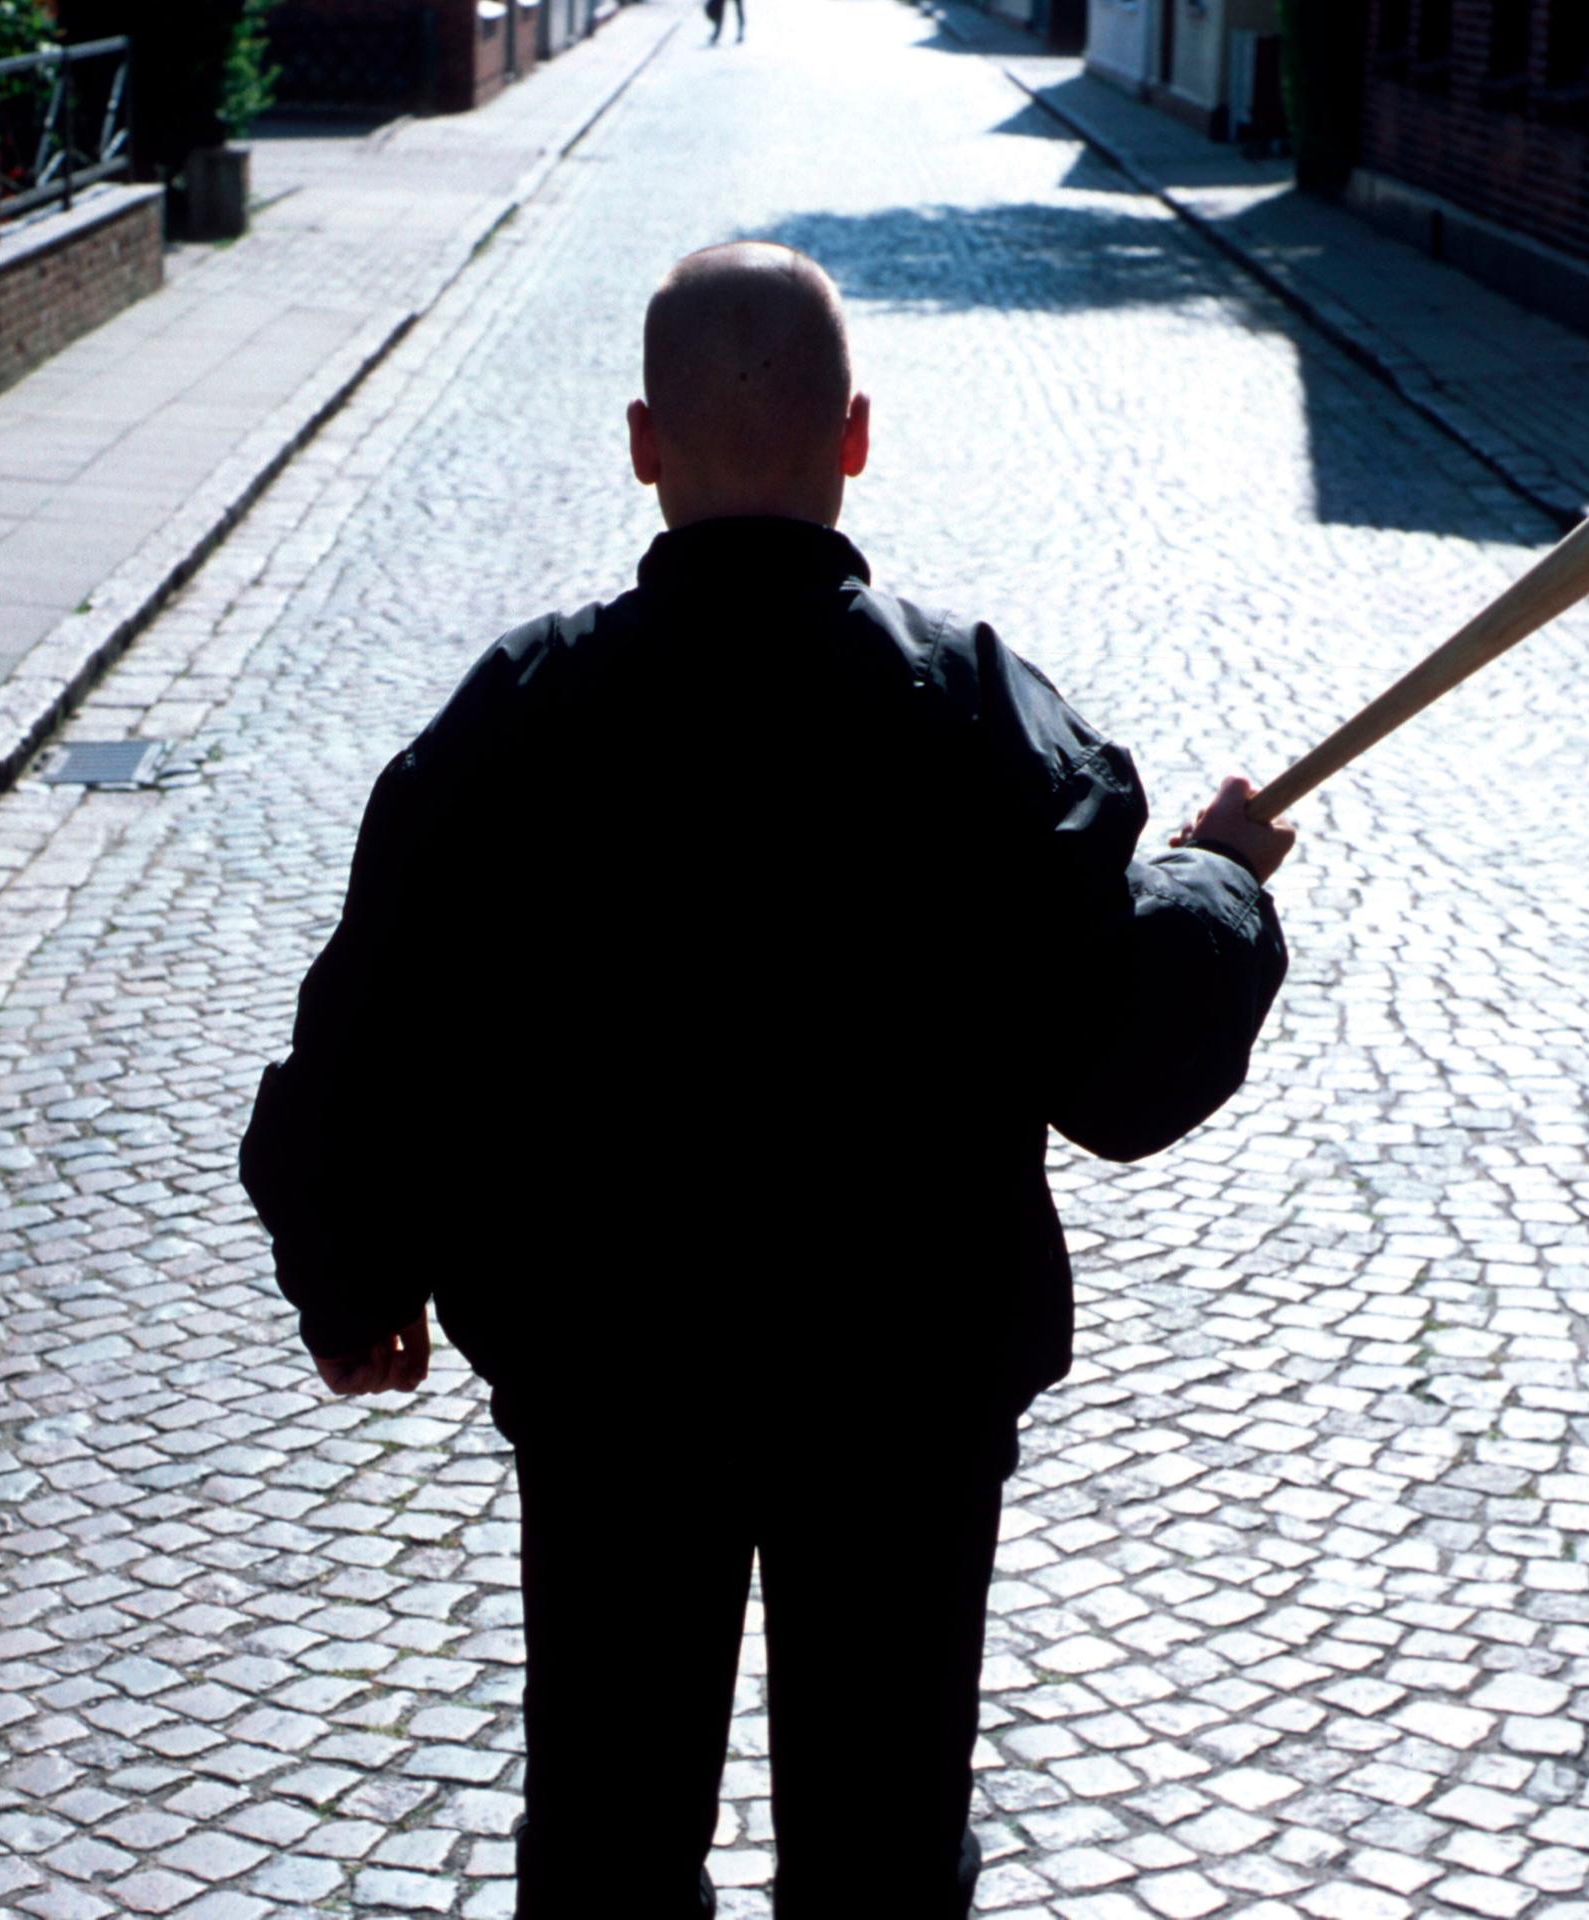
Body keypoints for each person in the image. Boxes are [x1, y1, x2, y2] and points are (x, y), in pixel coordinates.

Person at [239, 241, 1292, 1920]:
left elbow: (375, 1024)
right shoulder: (974, 711)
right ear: (854, 435)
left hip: (611, 1381)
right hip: (903, 1387)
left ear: (644, 444)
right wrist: (1218, 886)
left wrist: (352, 1281)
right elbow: (1115, 1054)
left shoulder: (526, 709)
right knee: (880, 1848)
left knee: (607, 1829)